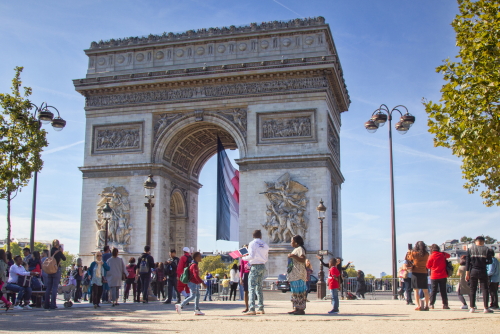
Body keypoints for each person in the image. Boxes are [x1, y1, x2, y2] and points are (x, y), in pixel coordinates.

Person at [242, 229, 269, 316]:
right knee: (259, 288)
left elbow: (252, 256)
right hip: (262, 266)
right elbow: (266, 257)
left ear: (253, 236)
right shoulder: (265, 244)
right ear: (261, 236)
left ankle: (252, 308)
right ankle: (261, 308)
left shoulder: (252, 243)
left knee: (251, 288)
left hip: (255, 267)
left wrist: (243, 258)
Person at [466, 236, 494, 313]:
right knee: (485, 289)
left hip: (473, 270)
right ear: (483, 241)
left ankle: (472, 307)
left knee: (472, 289)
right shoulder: (486, 249)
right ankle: (485, 307)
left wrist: (467, 273)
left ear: (475, 241)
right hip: (483, 270)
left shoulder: (470, 249)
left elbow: (467, 262)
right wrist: (484, 262)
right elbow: (490, 261)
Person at [287, 235, 307, 315]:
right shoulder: (296, 249)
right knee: (294, 292)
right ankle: (296, 307)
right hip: (294, 274)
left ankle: (301, 309)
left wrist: (293, 256)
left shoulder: (300, 249)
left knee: (299, 292)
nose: (290, 243)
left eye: (291, 241)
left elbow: (303, 259)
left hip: (299, 274)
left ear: (296, 242)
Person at [407, 241, 430, 311]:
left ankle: (418, 305)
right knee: (425, 290)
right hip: (424, 272)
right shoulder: (426, 254)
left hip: (416, 272)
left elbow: (409, 258)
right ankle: (427, 305)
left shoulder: (414, 253)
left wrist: (409, 251)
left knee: (416, 290)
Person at [44, 239, 66, 310]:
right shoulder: (58, 252)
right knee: (54, 287)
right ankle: (53, 304)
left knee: (48, 287)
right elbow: (64, 259)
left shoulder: (50, 251)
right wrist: (61, 252)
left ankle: (46, 304)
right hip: (56, 269)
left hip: (49, 270)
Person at [426, 244, 450, 309]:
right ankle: (445, 304)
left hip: (434, 275)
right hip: (443, 275)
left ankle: (431, 304)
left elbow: (428, 266)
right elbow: (449, 255)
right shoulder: (442, 254)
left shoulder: (431, 256)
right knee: (443, 291)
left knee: (433, 290)